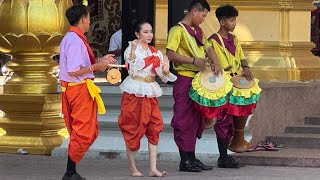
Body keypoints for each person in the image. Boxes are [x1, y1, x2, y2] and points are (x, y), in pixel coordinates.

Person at [166, 0, 243, 172]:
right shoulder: (177, 30)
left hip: (198, 81)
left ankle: (192, 158)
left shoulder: (198, 31)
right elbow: (170, 54)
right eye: (203, 15)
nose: (203, 19)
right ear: (194, 11)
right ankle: (184, 160)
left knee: (195, 120)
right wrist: (194, 60)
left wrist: (215, 63)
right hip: (185, 78)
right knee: (183, 120)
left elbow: (209, 49)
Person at [59, 4, 116, 180]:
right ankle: (69, 172)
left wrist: (101, 60)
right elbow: (74, 69)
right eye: (89, 18)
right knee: (83, 132)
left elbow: (81, 64)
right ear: (83, 19)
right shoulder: (75, 40)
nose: (90, 22)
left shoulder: (74, 38)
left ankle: (71, 170)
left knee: (85, 131)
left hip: (79, 89)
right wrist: (97, 66)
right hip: (78, 90)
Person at [118, 20, 176, 177]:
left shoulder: (155, 52)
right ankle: (133, 168)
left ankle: (153, 168)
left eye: (151, 31)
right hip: (134, 92)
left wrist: (165, 65)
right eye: (145, 32)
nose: (149, 34)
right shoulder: (132, 49)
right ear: (137, 34)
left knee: (154, 126)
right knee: (132, 127)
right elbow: (134, 65)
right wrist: (158, 59)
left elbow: (164, 76)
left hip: (150, 92)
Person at [208, 4, 261, 154]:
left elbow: (242, 58)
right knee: (223, 119)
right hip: (222, 81)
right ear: (222, 22)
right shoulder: (212, 41)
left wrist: (246, 67)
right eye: (231, 21)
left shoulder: (235, 39)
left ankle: (235, 145)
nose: (234, 24)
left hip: (237, 80)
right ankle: (223, 156)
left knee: (239, 112)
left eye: (235, 20)